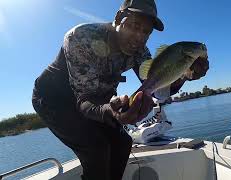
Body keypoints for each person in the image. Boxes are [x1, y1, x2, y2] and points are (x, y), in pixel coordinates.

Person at [32, 0, 209, 179]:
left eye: (146, 31)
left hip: (97, 99)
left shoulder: (140, 51)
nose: (139, 36)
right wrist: (112, 112)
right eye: (134, 25)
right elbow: (84, 100)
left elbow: (157, 88)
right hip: (54, 100)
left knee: (123, 142)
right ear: (118, 18)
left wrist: (186, 75)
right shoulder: (81, 37)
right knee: (96, 148)